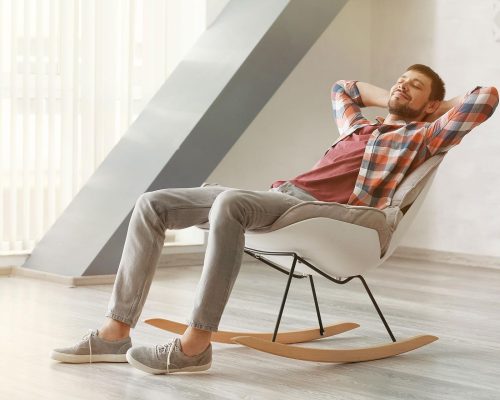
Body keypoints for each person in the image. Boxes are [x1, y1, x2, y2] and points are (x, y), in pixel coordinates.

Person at [51, 64, 498, 374]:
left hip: (331, 216)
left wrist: (431, 110)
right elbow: (343, 88)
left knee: (230, 206)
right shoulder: (359, 128)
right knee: (153, 202)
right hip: (280, 197)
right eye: (400, 80)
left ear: (431, 104)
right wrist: (397, 95)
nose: (401, 86)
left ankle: (194, 346)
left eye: (413, 85)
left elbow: (485, 98)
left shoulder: (422, 137)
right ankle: (115, 333)